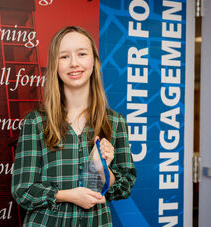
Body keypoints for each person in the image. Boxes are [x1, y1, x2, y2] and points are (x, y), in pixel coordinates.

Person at [11, 26, 136, 227]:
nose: (74, 63)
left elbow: (124, 186)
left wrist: (101, 167)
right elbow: (23, 191)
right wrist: (67, 195)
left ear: (94, 62)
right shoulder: (35, 122)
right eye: (64, 57)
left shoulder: (116, 122)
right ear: (55, 66)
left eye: (81, 54)